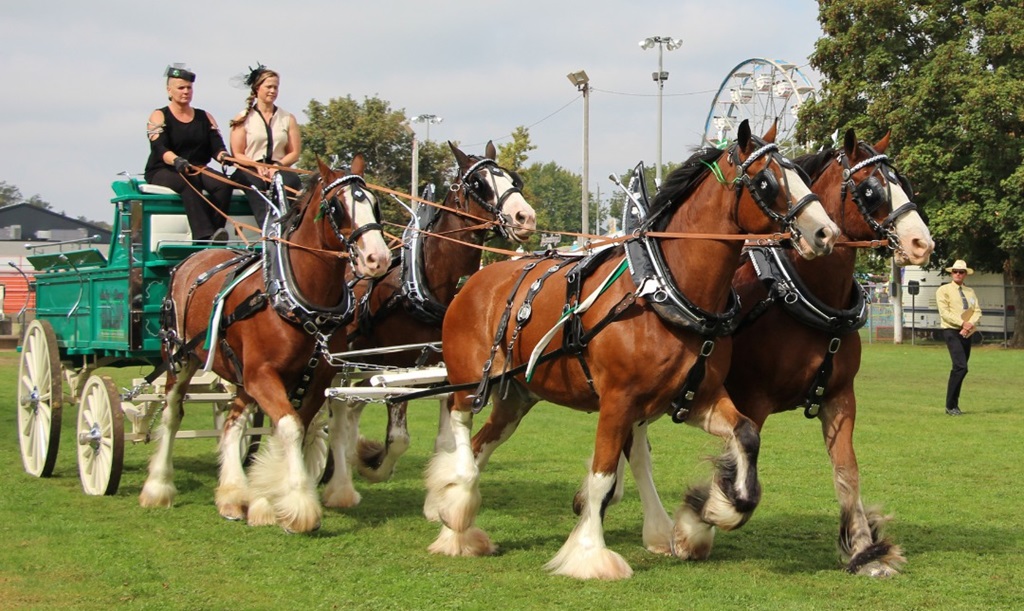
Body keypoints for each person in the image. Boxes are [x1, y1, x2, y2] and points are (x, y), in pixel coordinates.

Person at [145, 64, 233, 243]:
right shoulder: (159, 115)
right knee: (188, 182)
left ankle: (216, 233)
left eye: (189, 88)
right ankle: (204, 236)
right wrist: (177, 160)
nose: (186, 91)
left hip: (197, 168)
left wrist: (224, 157)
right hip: (164, 169)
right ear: (169, 90)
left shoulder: (204, 117)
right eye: (181, 88)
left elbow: (217, 147)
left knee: (224, 185)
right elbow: (159, 148)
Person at [229, 64, 302, 227]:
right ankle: (268, 228)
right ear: (257, 88)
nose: (273, 91)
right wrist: (255, 165)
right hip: (250, 169)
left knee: (290, 180)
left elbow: (294, 152)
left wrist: (278, 165)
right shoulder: (242, 118)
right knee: (257, 182)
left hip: (278, 168)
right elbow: (237, 153)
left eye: (276, 87)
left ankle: (289, 225)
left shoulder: (287, 118)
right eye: (269, 87)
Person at [935, 259, 982, 416]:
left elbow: (977, 310)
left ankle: (953, 404)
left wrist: (969, 325)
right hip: (951, 331)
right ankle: (950, 405)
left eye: (961, 272)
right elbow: (945, 313)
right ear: (951, 273)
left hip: (966, 332)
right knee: (961, 367)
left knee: (959, 369)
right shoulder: (944, 290)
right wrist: (962, 323)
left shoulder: (970, 292)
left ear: (965, 274)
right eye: (955, 271)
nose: (958, 274)